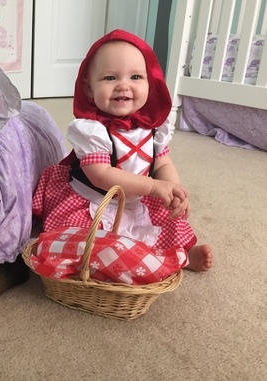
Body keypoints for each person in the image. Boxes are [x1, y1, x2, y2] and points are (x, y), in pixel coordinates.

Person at [32, 29, 212, 272]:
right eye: (110, 78)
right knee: (83, 239)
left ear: (151, 83)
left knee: (170, 220)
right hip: (93, 200)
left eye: (136, 77)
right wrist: (152, 186)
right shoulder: (92, 131)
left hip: (135, 198)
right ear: (87, 89)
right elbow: (101, 175)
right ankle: (115, 261)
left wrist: (172, 189)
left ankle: (182, 255)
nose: (123, 86)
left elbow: (162, 164)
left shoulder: (153, 128)